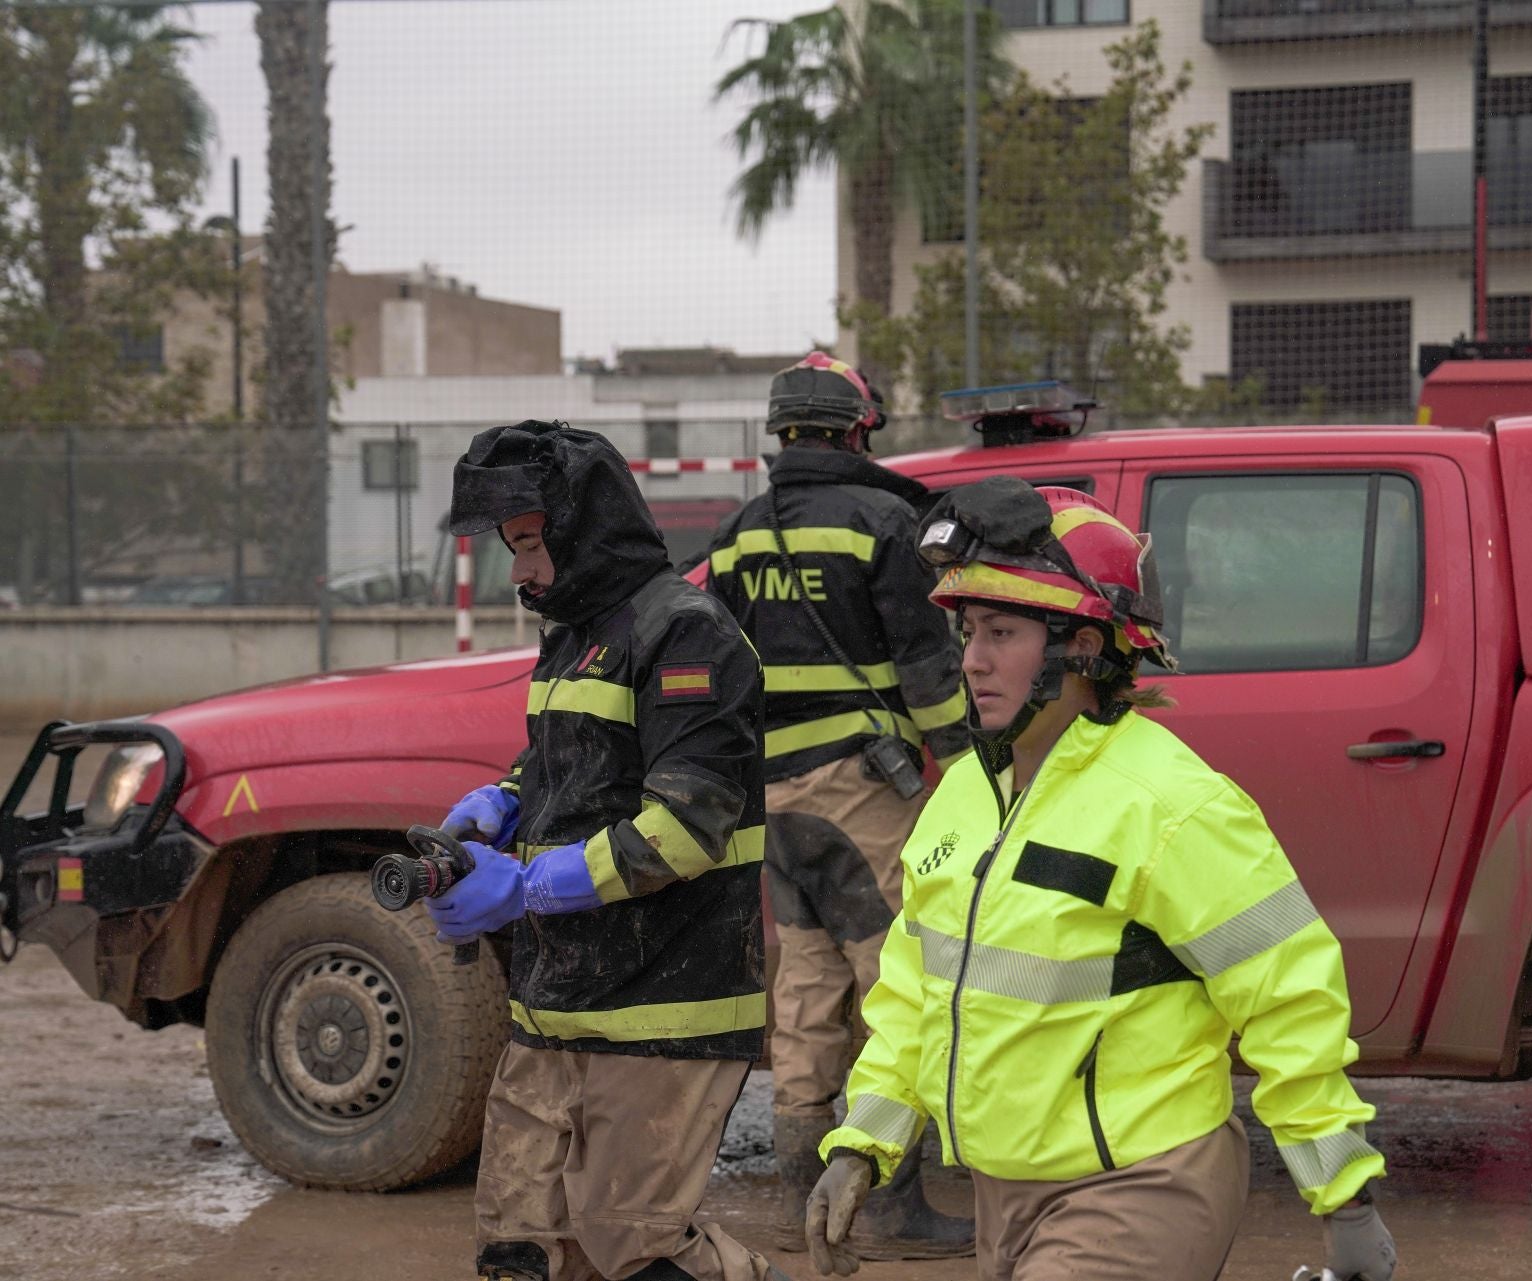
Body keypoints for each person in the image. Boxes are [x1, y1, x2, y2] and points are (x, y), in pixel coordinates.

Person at [802, 478, 1398, 1281]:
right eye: (969, 629)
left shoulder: (1172, 803)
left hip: (1142, 1183)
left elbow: (1287, 997)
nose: (971, 658)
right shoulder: (964, 795)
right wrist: (861, 1147)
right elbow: (916, 996)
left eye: (1003, 632)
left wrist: (1346, 1200)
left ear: (1083, 647)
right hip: (1004, 1192)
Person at [432, 420, 787, 1281]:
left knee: (637, 1247)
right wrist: (503, 806)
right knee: (523, 1247)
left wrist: (525, 887)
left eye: (527, 544)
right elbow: (566, 769)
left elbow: (685, 830)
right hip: (557, 1006)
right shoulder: (572, 633)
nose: (517, 570)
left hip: (667, 1007)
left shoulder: (687, 634)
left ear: (580, 527)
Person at [703, 352, 974, 1259]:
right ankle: (891, 1206)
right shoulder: (885, 520)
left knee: (807, 987)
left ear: (780, 433)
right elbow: (930, 667)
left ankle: (799, 1196)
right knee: (896, 982)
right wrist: (973, 762)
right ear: (859, 429)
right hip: (863, 791)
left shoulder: (738, 536)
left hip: (773, 797)